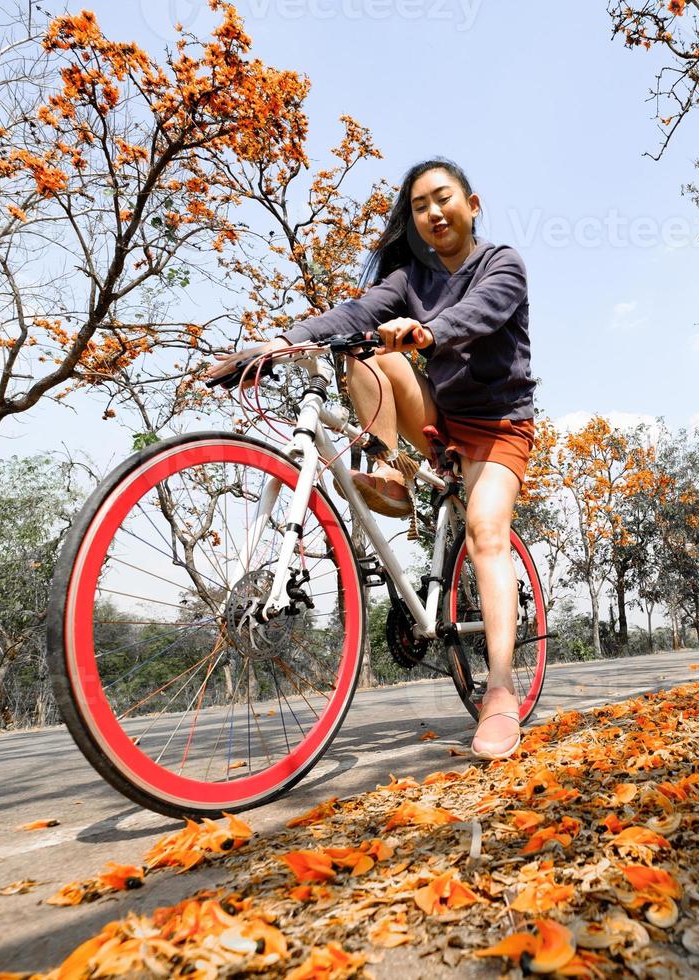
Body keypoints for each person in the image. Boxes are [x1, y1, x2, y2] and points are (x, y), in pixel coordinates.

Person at [205, 158, 536, 761]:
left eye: (443, 199)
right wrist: (280, 342)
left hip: (498, 427)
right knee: (365, 355)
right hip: (437, 417)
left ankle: (502, 691)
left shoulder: (503, 263)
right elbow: (356, 314)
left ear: (472, 202)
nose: (433, 213)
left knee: (487, 532)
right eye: (418, 206)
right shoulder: (408, 278)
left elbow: (480, 314)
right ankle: (388, 469)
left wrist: (428, 332)